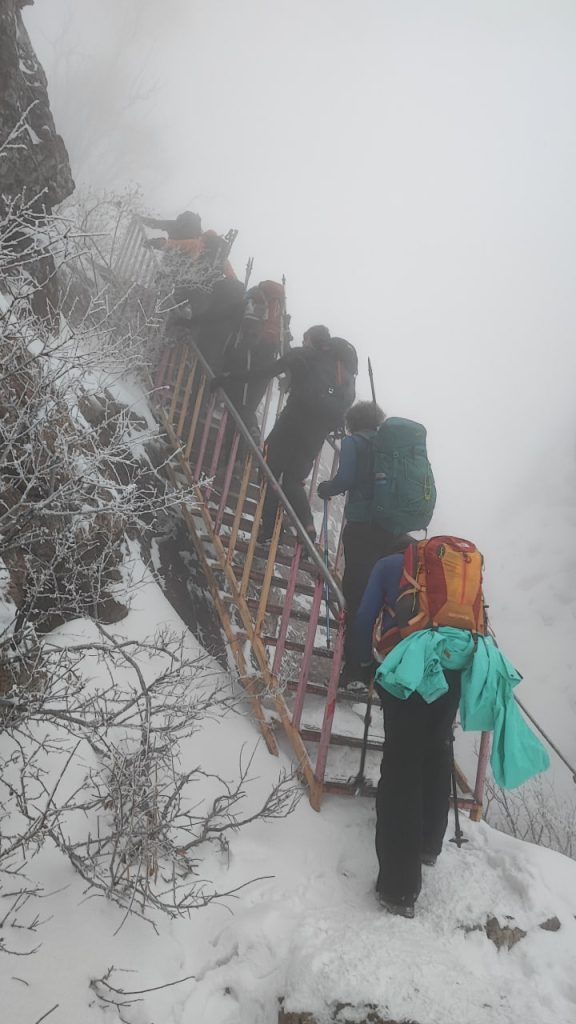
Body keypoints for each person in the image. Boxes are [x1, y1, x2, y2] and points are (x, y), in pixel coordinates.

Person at [352, 541, 549, 920]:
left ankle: (398, 888)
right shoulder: (458, 571)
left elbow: (363, 619)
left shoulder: (388, 565)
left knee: (401, 768)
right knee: (436, 748)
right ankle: (429, 844)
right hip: (455, 668)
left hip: (408, 671)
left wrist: (363, 664)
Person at [211, 325, 356, 544]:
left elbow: (263, 372)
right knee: (293, 481)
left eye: (305, 339)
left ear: (311, 340)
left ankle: (269, 529)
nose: (303, 343)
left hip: (292, 421)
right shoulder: (344, 373)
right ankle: (307, 527)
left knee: (268, 468)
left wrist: (228, 377)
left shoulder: (304, 355)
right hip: (317, 432)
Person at [316, 401, 411, 684]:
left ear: (352, 422)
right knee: (382, 598)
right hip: (392, 533)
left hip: (362, 531)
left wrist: (326, 488)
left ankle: (356, 669)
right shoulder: (390, 448)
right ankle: (385, 664)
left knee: (358, 597)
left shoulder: (354, 442)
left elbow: (345, 478)